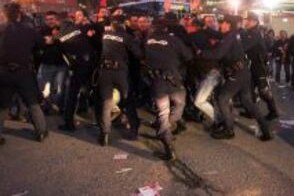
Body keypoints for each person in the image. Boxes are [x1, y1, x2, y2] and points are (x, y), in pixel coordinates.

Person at [201, 15, 273, 141]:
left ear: (228, 25)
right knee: (247, 102)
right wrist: (205, 28)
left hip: (237, 74)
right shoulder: (234, 34)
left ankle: (229, 130)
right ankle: (265, 129)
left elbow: (218, 54)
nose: (219, 25)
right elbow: (217, 35)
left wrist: (201, 53)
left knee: (222, 98)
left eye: (221, 23)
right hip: (244, 72)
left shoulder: (229, 37)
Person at [144, 19, 193, 161]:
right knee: (180, 103)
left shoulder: (147, 41)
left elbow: (142, 57)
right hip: (174, 80)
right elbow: (188, 56)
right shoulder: (174, 40)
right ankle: (172, 123)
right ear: (166, 28)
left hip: (157, 82)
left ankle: (168, 147)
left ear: (153, 28)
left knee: (162, 113)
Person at [0, 3, 48, 144]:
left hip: (3, 73)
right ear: (19, 13)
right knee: (32, 103)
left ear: (5, 14)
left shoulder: (1, 28)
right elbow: (42, 45)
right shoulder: (29, 30)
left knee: (3, 105)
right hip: (23, 73)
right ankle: (41, 132)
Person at [96, 15, 142, 146]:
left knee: (106, 102)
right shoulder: (126, 37)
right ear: (123, 24)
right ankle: (134, 129)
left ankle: (104, 134)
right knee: (128, 101)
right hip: (120, 72)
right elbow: (138, 54)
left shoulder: (105, 35)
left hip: (105, 72)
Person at [55, 13, 98, 131]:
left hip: (78, 65)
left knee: (72, 94)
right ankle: (98, 121)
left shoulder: (58, 37)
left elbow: (63, 54)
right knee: (94, 91)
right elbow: (92, 35)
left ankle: (69, 123)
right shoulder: (79, 28)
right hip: (91, 63)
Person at [242, 15, 279, 120]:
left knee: (263, 90)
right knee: (250, 90)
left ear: (255, 22)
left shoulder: (256, 33)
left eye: (248, 21)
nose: (246, 22)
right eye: (246, 20)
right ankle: (251, 111)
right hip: (252, 65)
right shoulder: (249, 32)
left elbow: (245, 46)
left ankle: (273, 111)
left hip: (259, 66)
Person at [37, 11, 68, 113]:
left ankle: (56, 106)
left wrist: (55, 39)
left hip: (61, 65)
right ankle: (47, 107)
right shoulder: (42, 30)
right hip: (46, 64)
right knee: (46, 89)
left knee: (60, 89)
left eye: (52, 19)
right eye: (48, 19)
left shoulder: (63, 30)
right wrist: (45, 43)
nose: (50, 21)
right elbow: (39, 45)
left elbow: (67, 45)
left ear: (56, 19)